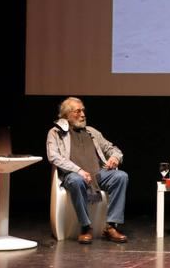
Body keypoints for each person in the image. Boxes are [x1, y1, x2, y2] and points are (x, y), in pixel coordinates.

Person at [46, 97, 129, 244]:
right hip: (73, 175)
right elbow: (54, 157)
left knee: (121, 176)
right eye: (78, 111)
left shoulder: (91, 132)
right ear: (66, 115)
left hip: (98, 173)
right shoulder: (55, 133)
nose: (83, 114)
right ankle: (86, 227)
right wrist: (78, 170)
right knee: (76, 180)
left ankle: (111, 226)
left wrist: (115, 158)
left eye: (83, 111)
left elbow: (113, 149)